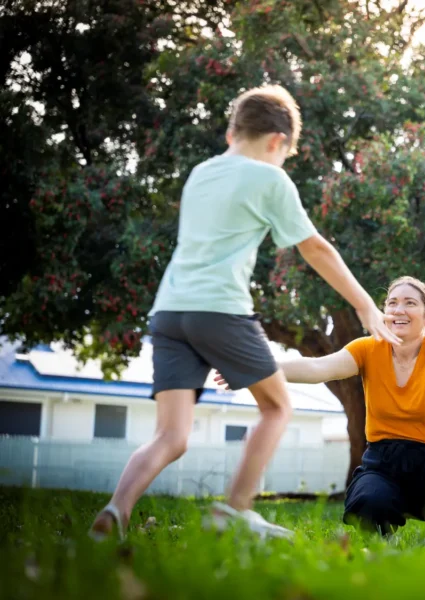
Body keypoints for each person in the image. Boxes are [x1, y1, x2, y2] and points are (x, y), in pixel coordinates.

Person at [89, 84, 401, 541]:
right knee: (277, 407)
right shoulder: (269, 178)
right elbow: (314, 248)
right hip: (219, 308)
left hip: (169, 311)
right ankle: (235, 509)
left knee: (171, 437)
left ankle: (116, 510)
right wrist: (364, 304)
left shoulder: (200, 173)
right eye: (286, 155)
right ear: (277, 141)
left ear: (231, 132)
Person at [215, 276, 425, 548]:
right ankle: (386, 543)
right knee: (367, 501)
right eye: (392, 303)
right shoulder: (367, 349)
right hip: (382, 464)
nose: (399, 310)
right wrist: (257, 368)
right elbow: (318, 368)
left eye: (410, 303)